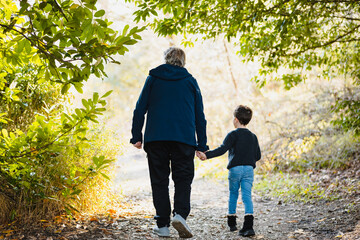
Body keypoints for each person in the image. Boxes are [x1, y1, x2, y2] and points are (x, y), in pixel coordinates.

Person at [130, 47, 208, 238]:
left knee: (159, 180)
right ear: (183, 61)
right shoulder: (190, 82)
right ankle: (180, 215)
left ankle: (163, 225)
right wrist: (202, 144)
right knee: (183, 178)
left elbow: (140, 109)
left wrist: (136, 136)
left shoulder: (153, 79)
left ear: (165, 59)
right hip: (184, 138)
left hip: (156, 138)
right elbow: (200, 116)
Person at [197, 105, 261, 237]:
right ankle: (248, 226)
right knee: (247, 196)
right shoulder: (253, 137)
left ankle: (232, 224)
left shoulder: (233, 134)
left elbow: (222, 149)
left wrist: (206, 155)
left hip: (235, 169)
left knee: (233, 194)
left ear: (236, 120)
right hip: (249, 170)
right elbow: (258, 156)